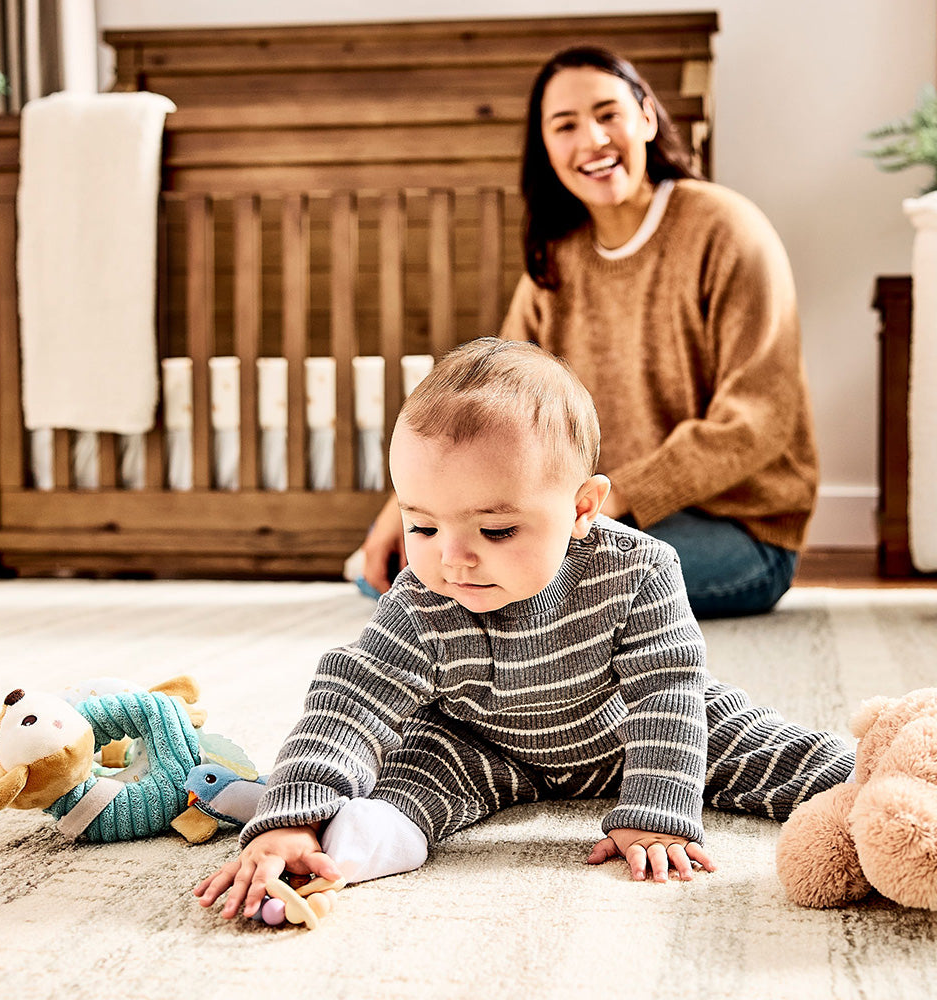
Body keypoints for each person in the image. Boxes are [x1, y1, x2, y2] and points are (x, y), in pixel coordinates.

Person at [195, 338, 853, 922]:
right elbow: (352, 704)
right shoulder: (420, 596)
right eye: (422, 526)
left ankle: (882, 773)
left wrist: (654, 814)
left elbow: (666, 697)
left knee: (764, 744)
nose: (453, 557)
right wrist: (292, 816)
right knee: (412, 765)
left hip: (624, 725)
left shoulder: (641, 569)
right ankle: (345, 843)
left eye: (496, 529)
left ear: (581, 508)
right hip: (483, 742)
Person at [355, 46, 818, 619]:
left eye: (608, 114)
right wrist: (402, 512)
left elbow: (757, 421)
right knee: (419, 569)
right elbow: (485, 403)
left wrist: (614, 498)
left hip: (742, 529)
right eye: (565, 125)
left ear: (646, 117)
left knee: (506, 578)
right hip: (592, 512)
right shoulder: (556, 259)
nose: (592, 139)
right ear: (546, 148)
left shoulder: (728, 230)